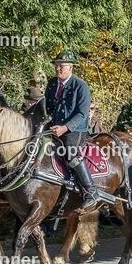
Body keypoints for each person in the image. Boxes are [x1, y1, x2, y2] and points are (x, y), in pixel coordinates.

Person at [44, 50, 102, 208]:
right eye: (56, 65)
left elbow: (82, 113)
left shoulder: (81, 86)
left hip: (75, 131)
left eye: (61, 66)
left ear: (70, 67)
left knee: (70, 153)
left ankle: (91, 191)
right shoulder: (52, 83)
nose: (57, 68)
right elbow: (47, 107)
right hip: (54, 127)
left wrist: (65, 128)